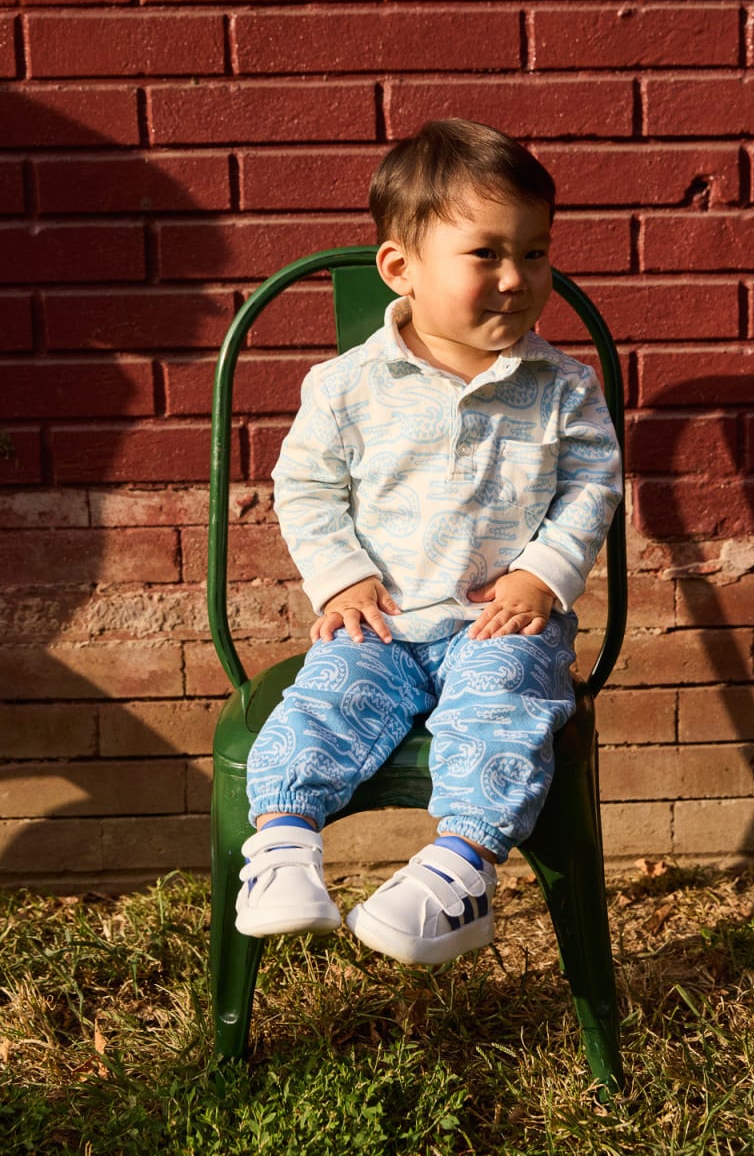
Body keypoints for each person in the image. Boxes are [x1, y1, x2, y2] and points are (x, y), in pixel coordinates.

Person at [236, 118, 623, 965]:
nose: (517, 280)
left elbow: (594, 485)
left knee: (506, 706)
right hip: (384, 624)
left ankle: (457, 873)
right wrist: (340, 581)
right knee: (324, 694)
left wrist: (542, 574)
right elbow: (305, 487)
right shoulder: (345, 388)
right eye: (486, 254)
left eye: (536, 253)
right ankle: (283, 847)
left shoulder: (562, 387)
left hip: (499, 624)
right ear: (400, 270)